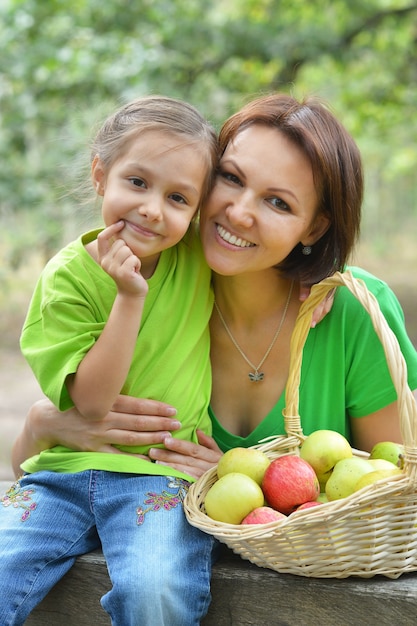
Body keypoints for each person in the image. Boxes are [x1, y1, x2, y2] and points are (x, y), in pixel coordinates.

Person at [6, 94, 417, 619]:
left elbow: (395, 494)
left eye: (278, 203)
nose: (240, 212)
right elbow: (32, 469)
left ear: (313, 229)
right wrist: (44, 425)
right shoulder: (159, 280)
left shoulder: (351, 313)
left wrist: (236, 477)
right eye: (231, 178)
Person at [0, 95, 220, 626]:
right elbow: (93, 403)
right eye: (137, 182)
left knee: (156, 588)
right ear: (101, 175)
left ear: (196, 213)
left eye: (178, 198)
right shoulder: (68, 278)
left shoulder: (196, 260)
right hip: (62, 475)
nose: (152, 208)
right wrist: (128, 296)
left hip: (160, 476)